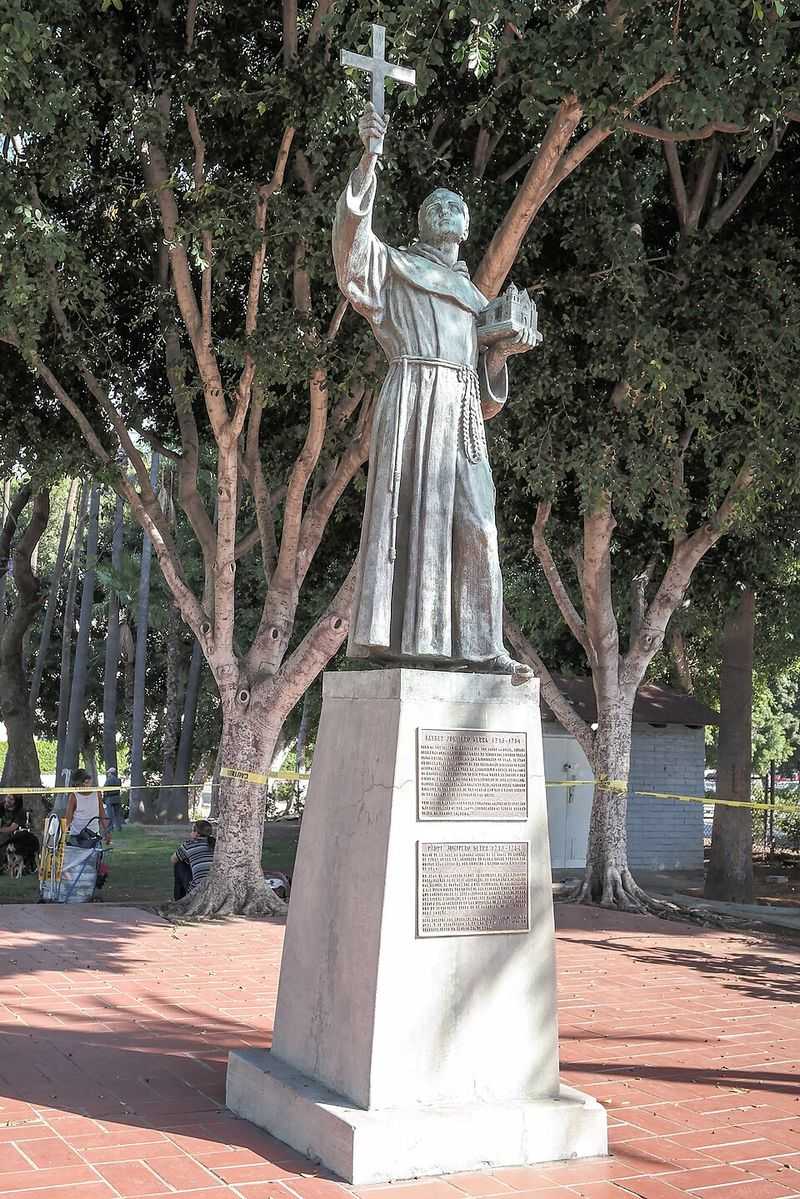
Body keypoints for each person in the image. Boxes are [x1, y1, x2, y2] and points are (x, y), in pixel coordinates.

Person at [333, 102, 538, 679]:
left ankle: (481, 646)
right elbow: (352, 251)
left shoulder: (476, 298)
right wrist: (367, 163)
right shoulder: (395, 269)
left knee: (478, 518)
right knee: (407, 517)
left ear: (466, 228)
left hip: (463, 410)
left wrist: (500, 348)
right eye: (437, 204)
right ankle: (398, 643)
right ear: (423, 222)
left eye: (457, 206)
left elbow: (490, 399)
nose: (448, 209)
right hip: (414, 397)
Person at [171, 820, 216, 900]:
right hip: (215, 887)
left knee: (179, 864)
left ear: (197, 834)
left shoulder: (188, 845)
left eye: (192, 830)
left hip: (197, 890)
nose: (190, 833)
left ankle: (178, 899)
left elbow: (173, 859)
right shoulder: (216, 844)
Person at [66, 769, 111, 847]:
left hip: (93, 835)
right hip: (77, 837)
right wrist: (62, 835)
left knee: (95, 857)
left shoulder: (97, 794)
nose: (85, 785)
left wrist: (107, 831)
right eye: (78, 785)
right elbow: (68, 818)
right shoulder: (73, 796)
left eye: (87, 782)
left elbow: (102, 813)